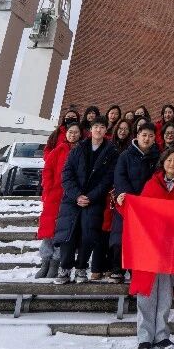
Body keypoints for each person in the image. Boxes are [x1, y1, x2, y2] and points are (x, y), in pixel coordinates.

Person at [135, 148, 174, 349]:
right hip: (150, 245)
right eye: (169, 160)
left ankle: (162, 335)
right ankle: (144, 336)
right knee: (147, 290)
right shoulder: (152, 184)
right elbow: (140, 210)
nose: (173, 164)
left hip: (172, 245)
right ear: (163, 162)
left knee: (165, 292)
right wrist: (123, 201)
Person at [54, 117, 118, 284]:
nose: (98, 130)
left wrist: (91, 196)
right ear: (90, 129)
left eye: (102, 127)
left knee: (88, 235)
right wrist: (76, 195)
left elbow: (108, 179)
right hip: (72, 199)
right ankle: (64, 268)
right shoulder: (78, 149)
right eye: (96, 126)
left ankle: (81, 268)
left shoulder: (111, 151)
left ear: (106, 130)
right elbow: (67, 174)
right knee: (68, 233)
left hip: (94, 200)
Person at [110, 122, 159, 283]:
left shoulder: (158, 156)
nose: (147, 139)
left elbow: (157, 179)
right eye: (144, 135)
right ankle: (117, 269)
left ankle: (134, 270)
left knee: (140, 240)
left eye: (150, 136)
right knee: (120, 237)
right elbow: (120, 176)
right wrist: (129, 197)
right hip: (127, 202)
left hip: (147, 204)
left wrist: (145, 198)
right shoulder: (126, 155)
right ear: (137, 136)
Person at [36, 121, 79, 279]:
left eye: (76, 132)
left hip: (70, 195)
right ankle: (45, 261)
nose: (73, 135)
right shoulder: (58, 150)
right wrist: (47, 188)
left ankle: (56, 262)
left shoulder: (81, 150)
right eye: (70, 132)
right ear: (66, 134)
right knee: (48, 229)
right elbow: (47, 170)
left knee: (63, 230)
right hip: (54, 194)